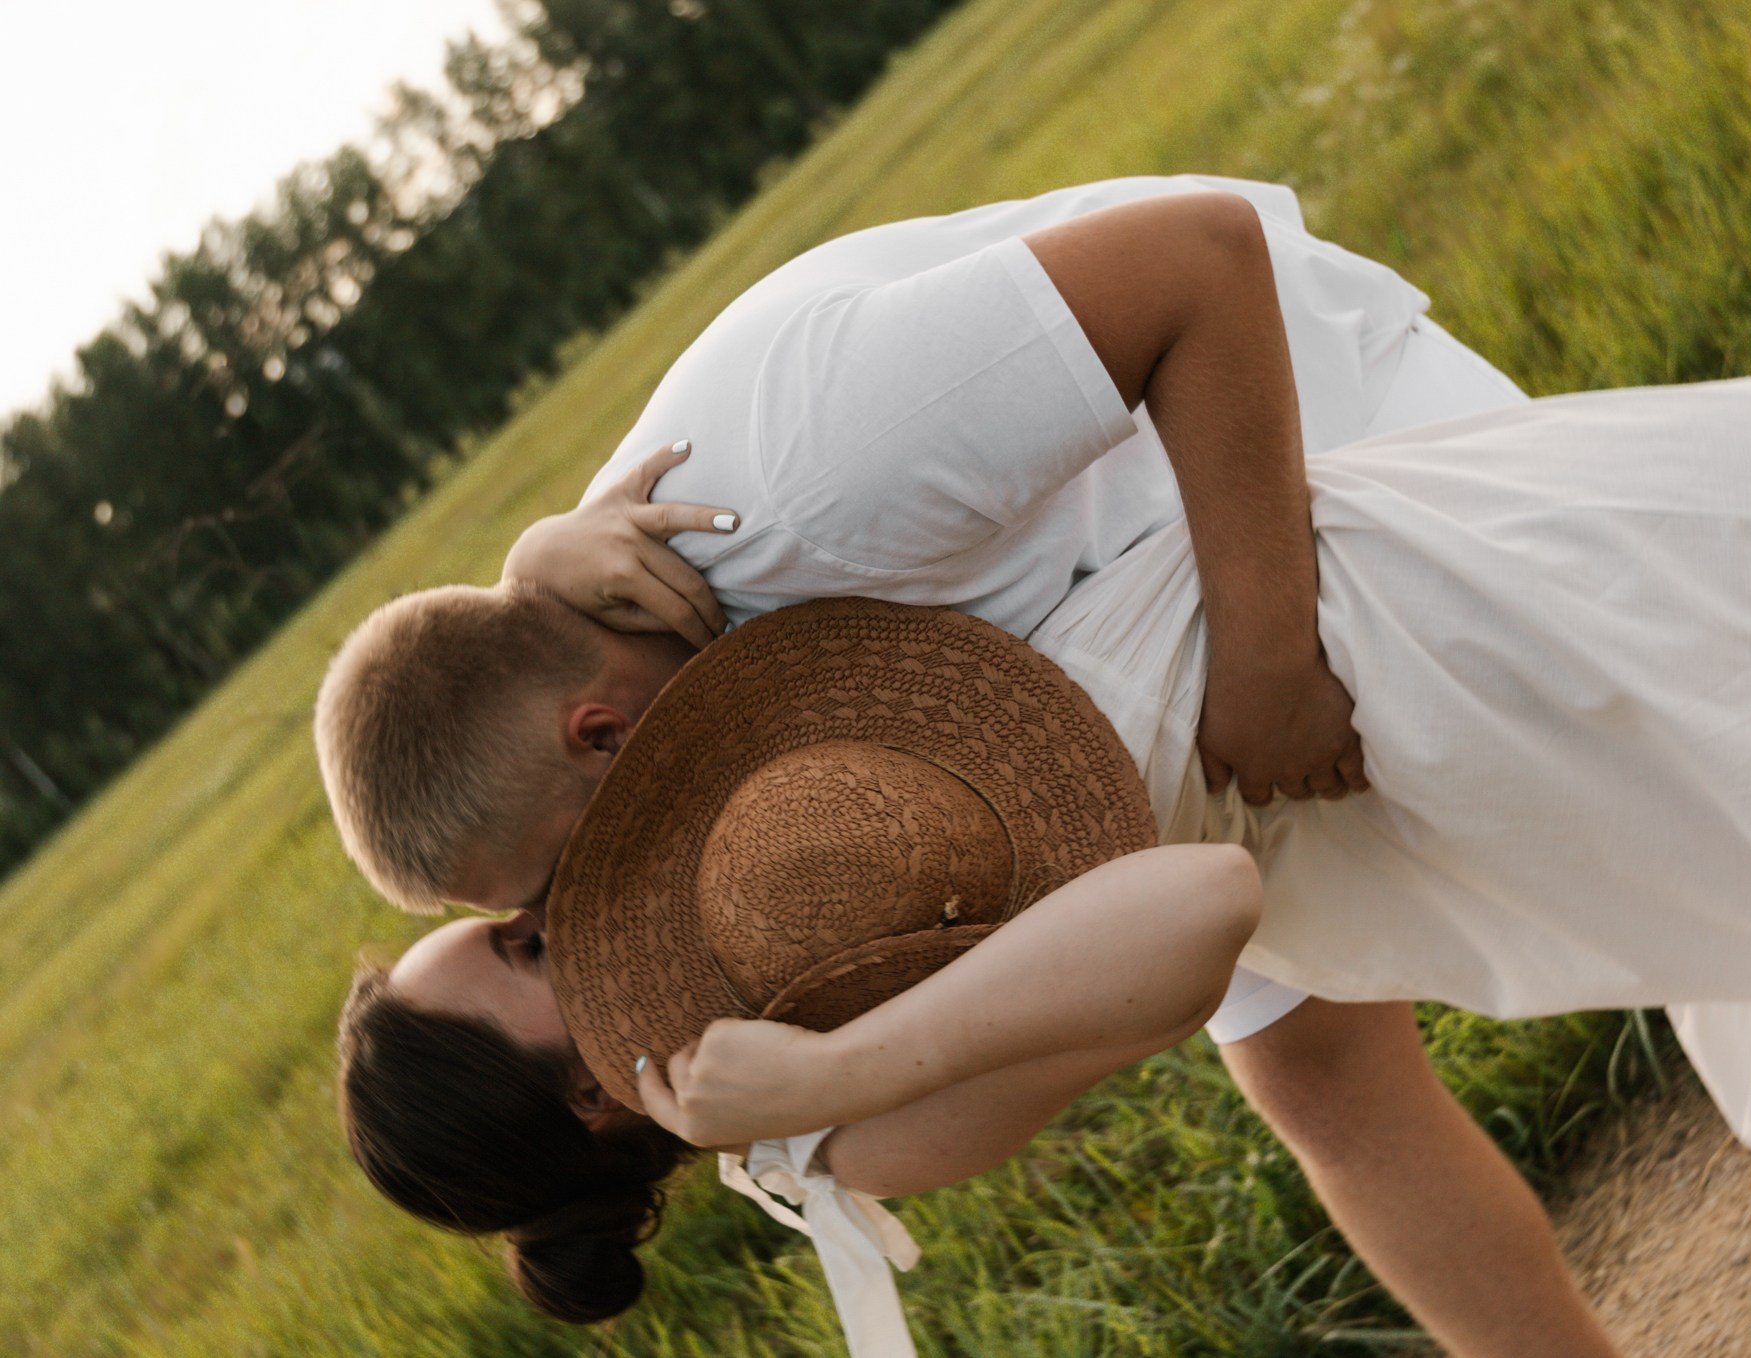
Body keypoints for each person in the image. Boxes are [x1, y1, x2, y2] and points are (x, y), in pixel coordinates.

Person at [323, 176, 1608, 1357]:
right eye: (524, 931)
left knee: (1632, 775)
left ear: (597, 735)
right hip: (1141, 716)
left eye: (534, 910)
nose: (565, 913)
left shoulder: (795, 479)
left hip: (1307, 464)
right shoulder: (719, 905)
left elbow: (1203, 259)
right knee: (1320, 1077)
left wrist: (1266, 666)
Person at [339, 837, 1266, 1325]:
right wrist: (837, 1074)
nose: (545, 908)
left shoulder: (726, 921)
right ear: (588, 1096)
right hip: (1285, 805)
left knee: (1318, 1091)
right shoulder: (864, 1135)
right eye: (526, 947)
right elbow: (1211, 896)